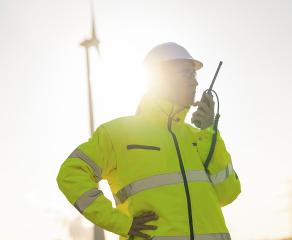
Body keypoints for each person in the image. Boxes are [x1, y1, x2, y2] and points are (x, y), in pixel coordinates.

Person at [56, 42, 241, 240]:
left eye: (194, 75)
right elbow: (71, 174)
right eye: (187, 74)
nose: (195, 83)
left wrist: (210, 133)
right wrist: (120, 223)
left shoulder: (200, 137)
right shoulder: (119, 133)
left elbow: (227, 193)